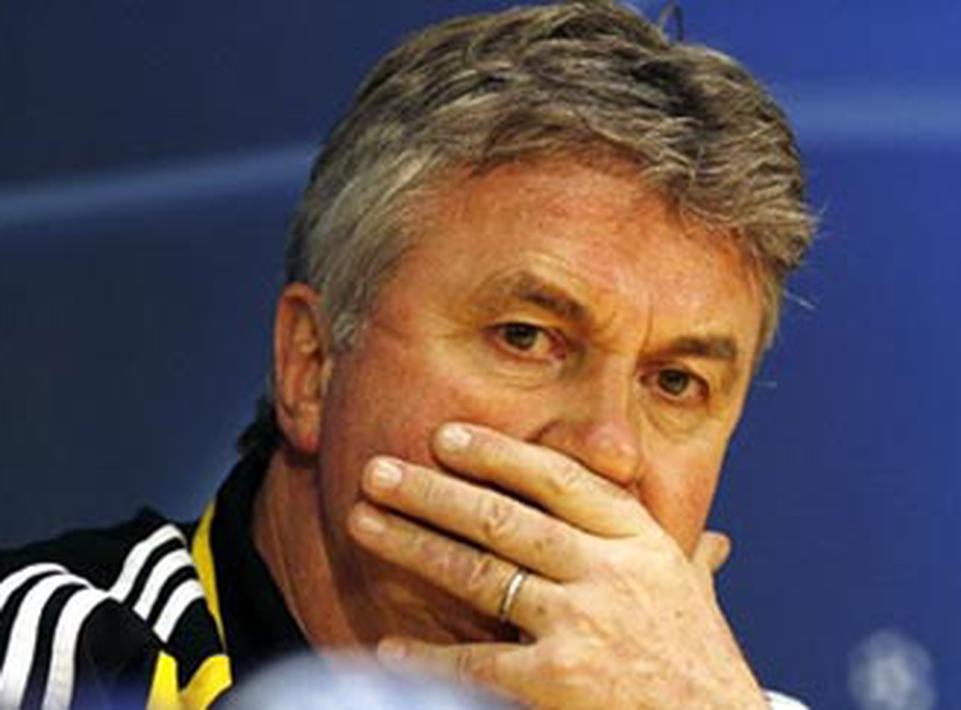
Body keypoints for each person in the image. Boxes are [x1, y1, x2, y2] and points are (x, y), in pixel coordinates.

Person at [0, 2, 814, 707]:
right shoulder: (57, 656)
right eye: (524, 338)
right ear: (311, 366)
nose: (606, 451)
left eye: (675, 382)